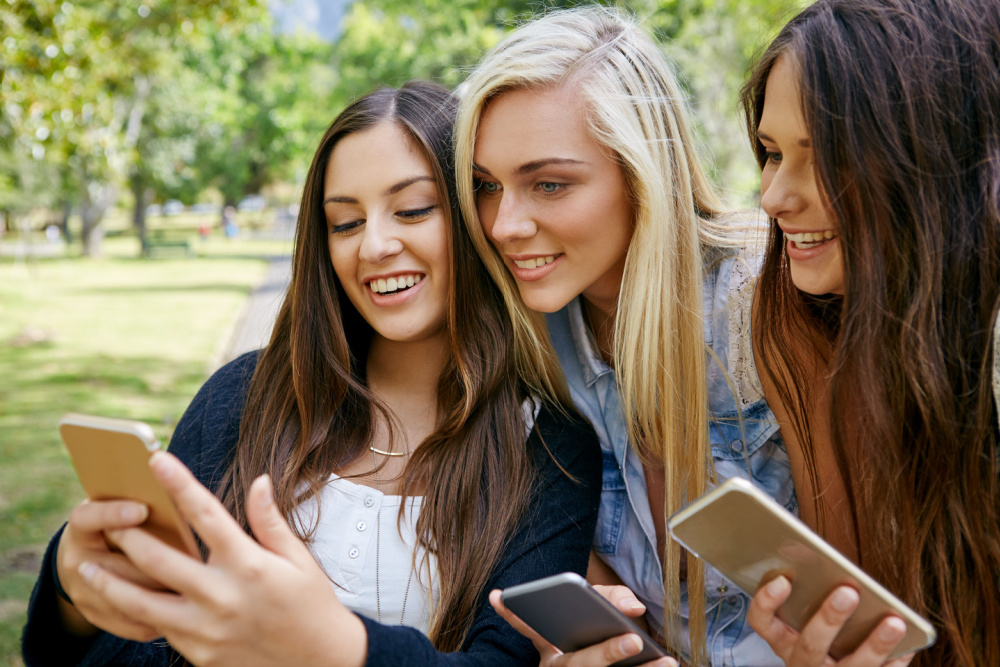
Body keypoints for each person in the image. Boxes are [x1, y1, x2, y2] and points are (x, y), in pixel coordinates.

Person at [21, 81, 602, 666]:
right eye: (345, 223)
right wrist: (72, 586)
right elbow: (124, 643)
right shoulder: (245, 398)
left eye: (414, 209)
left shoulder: (549, 447)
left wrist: (333, 647)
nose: (373, 245)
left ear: (478, 218)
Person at [454, 7, 791, 666]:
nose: (503, 224)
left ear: (643, 177)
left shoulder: (763, 297)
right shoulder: (539, 333)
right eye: (486, 186)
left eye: (548, 184)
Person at [739, 0, 1000, 665]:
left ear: (931, 158)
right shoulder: (810, 325)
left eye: (822, 154)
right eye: (770, 153)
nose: (773, 197)